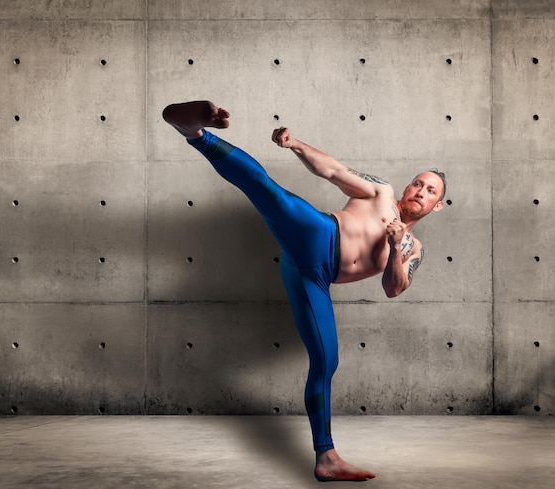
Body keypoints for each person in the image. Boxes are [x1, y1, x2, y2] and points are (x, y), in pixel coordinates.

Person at [162, 100, 446, 482]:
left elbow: (393, 289)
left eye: (429, 190)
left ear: (436, 205)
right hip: (318, 234)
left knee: (327, 361)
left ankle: (325, 458)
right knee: (269, 192)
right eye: (418, 182)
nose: (419, 191)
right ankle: (194, 132)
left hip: (313, 279)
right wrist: (296, 144)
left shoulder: (415, 251)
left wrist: (396, 246)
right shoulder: (381, 193)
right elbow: (333, 170)